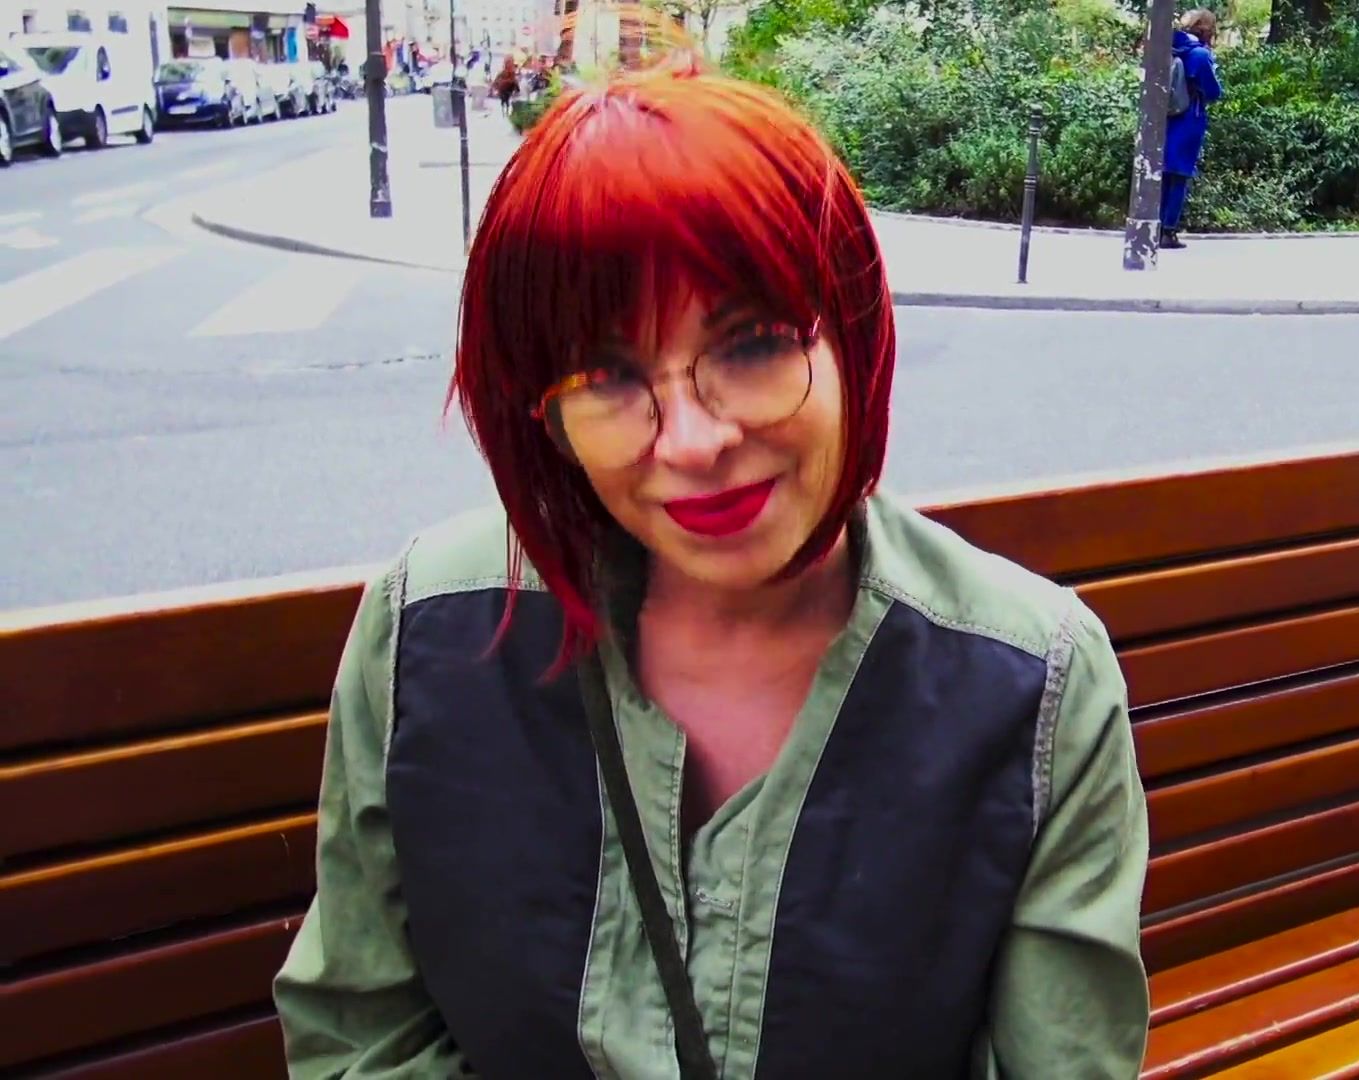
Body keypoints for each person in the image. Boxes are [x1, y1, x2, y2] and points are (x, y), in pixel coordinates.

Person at [272, 35, 1151, 1080]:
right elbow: (360, 1036)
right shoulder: (427, 630)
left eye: (751, 345)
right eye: (605, 377)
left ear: (851, 336)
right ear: (545, 419)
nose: (693, 441)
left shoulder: (1034, 685)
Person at [1162, 9, 1223, 251]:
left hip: (1164, 118)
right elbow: (1213, 92)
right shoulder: (1199, 55)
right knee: (1179, 175)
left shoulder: (1169, 47)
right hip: (1189, 118)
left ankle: (1154, 225)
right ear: (1205, 28)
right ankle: (1168, 231)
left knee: (1163, 173)